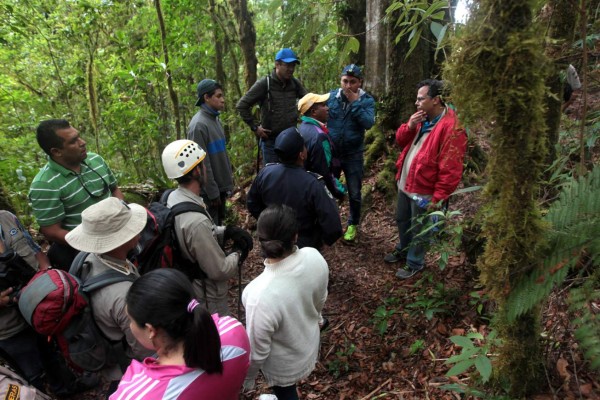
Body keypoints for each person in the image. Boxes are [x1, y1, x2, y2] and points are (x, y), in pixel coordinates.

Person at [109, 269, 250, 400]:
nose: (130, 326)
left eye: (130, 320)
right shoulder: (234, 331)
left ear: (151, 330)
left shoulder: (136, 394)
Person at [0, 210, 95, 397]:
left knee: (52, 353)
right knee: (31, 373)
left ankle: (67, 388)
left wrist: (49, 273)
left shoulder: (6, 218)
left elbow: (34, 250)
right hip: (8, 326)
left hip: (39, 305)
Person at [243, 205, 328, 400]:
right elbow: (320, 299)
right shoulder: (314, 256)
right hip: (309, 345)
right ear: (295, 236)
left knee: (286, 393)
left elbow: (257, 351)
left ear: (260, 242)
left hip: (284, 367)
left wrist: (248, 379)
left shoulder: (257, 295)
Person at [384, 79, 467, 279]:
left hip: (424, 190)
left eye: (421, 99)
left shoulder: (452, 128)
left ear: (436, 100)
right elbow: (400, 141)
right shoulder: (422, 118)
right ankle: (403, 248)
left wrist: (438, 197)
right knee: (402, 219)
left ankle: (415, 262)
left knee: (420, 226)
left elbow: (450, 168)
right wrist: (409, 125)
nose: (416, 102)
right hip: (406, 182)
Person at [65, 197, 153, 380]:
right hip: (125, 363)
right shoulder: (123, 296)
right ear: (123, 239)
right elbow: (142, 348)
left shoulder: (87, 258)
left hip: (105, 339)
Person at [161, 139, 253, 315]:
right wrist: (239, 252)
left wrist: (225, 232)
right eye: (203, 165)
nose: (205, 169)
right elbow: (220, 269)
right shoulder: (196, 221)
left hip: (190, 286)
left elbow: (191, 237)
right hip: (208, 298)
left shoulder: (172, 197)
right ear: (196, 170)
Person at [29, 119, 123, 269]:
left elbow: (114, 189)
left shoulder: (95, 160)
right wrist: (90, 242)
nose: (83, 142)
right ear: (56, 151)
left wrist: (123, 212)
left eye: (79, 136)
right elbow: (51, 231)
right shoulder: (44, 185)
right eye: (73, 141)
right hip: (84, 249)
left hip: (117, 232)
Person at [246, 127, 342, 250]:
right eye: (304, 146)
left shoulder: (265, 174)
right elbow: (333, 225)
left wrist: (270, 224)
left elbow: (252, 203)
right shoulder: (313, 183)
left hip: (273, 244)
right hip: (304, 244)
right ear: (301, 155)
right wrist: (319, 240)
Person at [326, 64, 375, 243]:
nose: (348, 85)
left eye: (352, 82)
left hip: (353, 155)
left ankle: (353, 224)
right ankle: (330, 222)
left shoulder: (367, 101)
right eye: (345, 81)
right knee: (329, 188)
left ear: (360, 82)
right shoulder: (331, 97)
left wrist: (355, 103)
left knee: (354, 192)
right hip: (333, 154)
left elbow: (368, 123)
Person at [236, 48, 308, 165]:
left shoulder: (294, 83)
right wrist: (255, 128)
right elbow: (242, 105)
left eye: (293, 65)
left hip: (292, 139)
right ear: (277, 64)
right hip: (271, 142)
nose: (291, 69)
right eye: (288, 65)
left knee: (293, 177)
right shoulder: (265, 83)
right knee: (275, 178)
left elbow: (308, 100)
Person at [188, 79, 234, 225]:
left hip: (220, 188)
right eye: (218, 96)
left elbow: (221, 155)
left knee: (220, 225)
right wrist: (212, 192)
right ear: (206, 98)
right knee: (212, 228)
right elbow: (201, 162)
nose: (223, 100)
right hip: (209, 193)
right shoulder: (198, 125)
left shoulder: (215, 120)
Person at [298, 92, 346, 200]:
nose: (327, 108)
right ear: (314, 112)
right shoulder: (319, 136)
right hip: (320, 193)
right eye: (323, 105)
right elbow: (324, 171)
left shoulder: (302, 127)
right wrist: (339, 191)